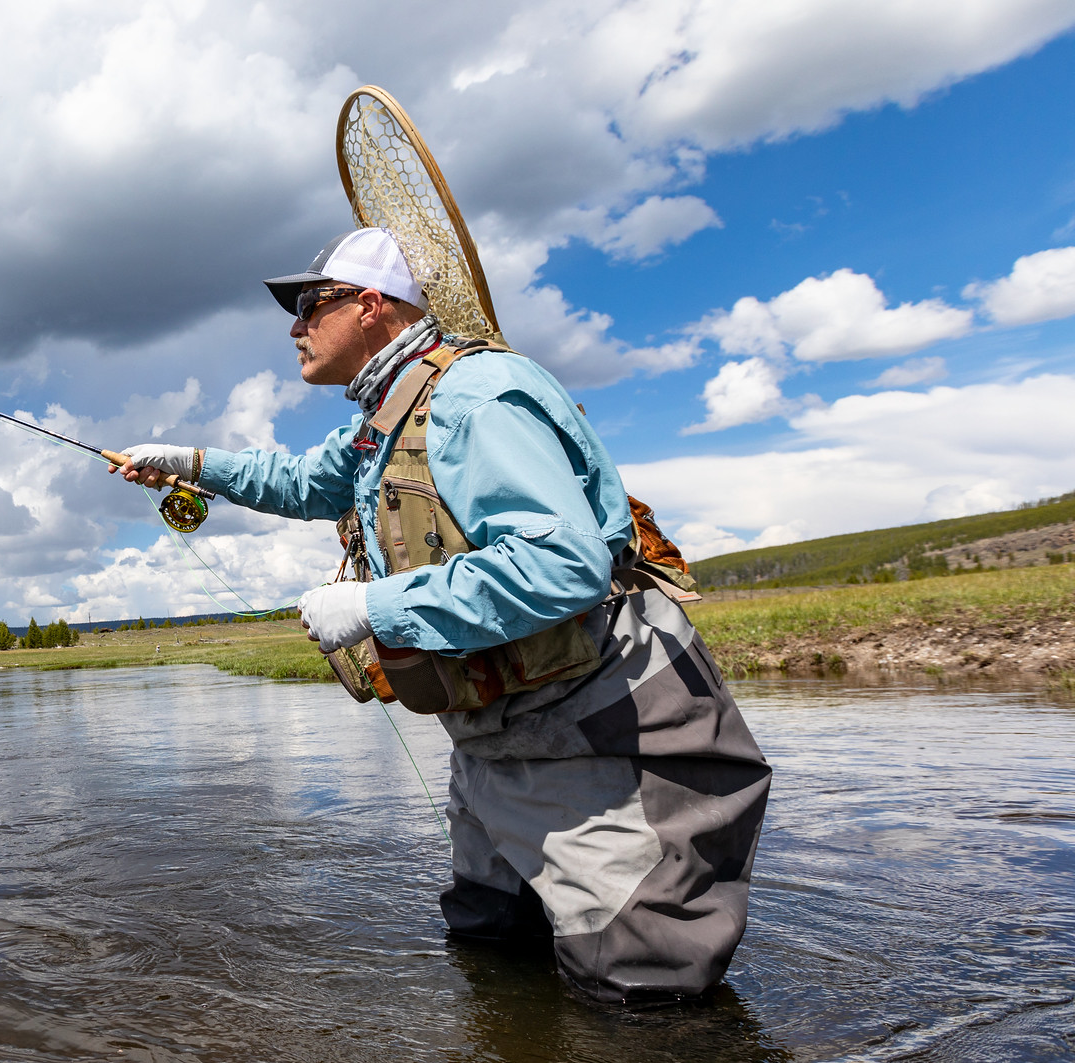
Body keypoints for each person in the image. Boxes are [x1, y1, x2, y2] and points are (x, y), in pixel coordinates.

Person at [115, 227, 771, 1006]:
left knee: (642, 1004)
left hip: (607, 733)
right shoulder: (382, 419)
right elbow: (294, 481)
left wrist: (372, 604)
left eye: (307, 305)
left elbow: (564, 563)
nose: (294, 326)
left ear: (369, 306)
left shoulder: (476, 396)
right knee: (493, 950)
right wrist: (189, 464)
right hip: (501, 737)